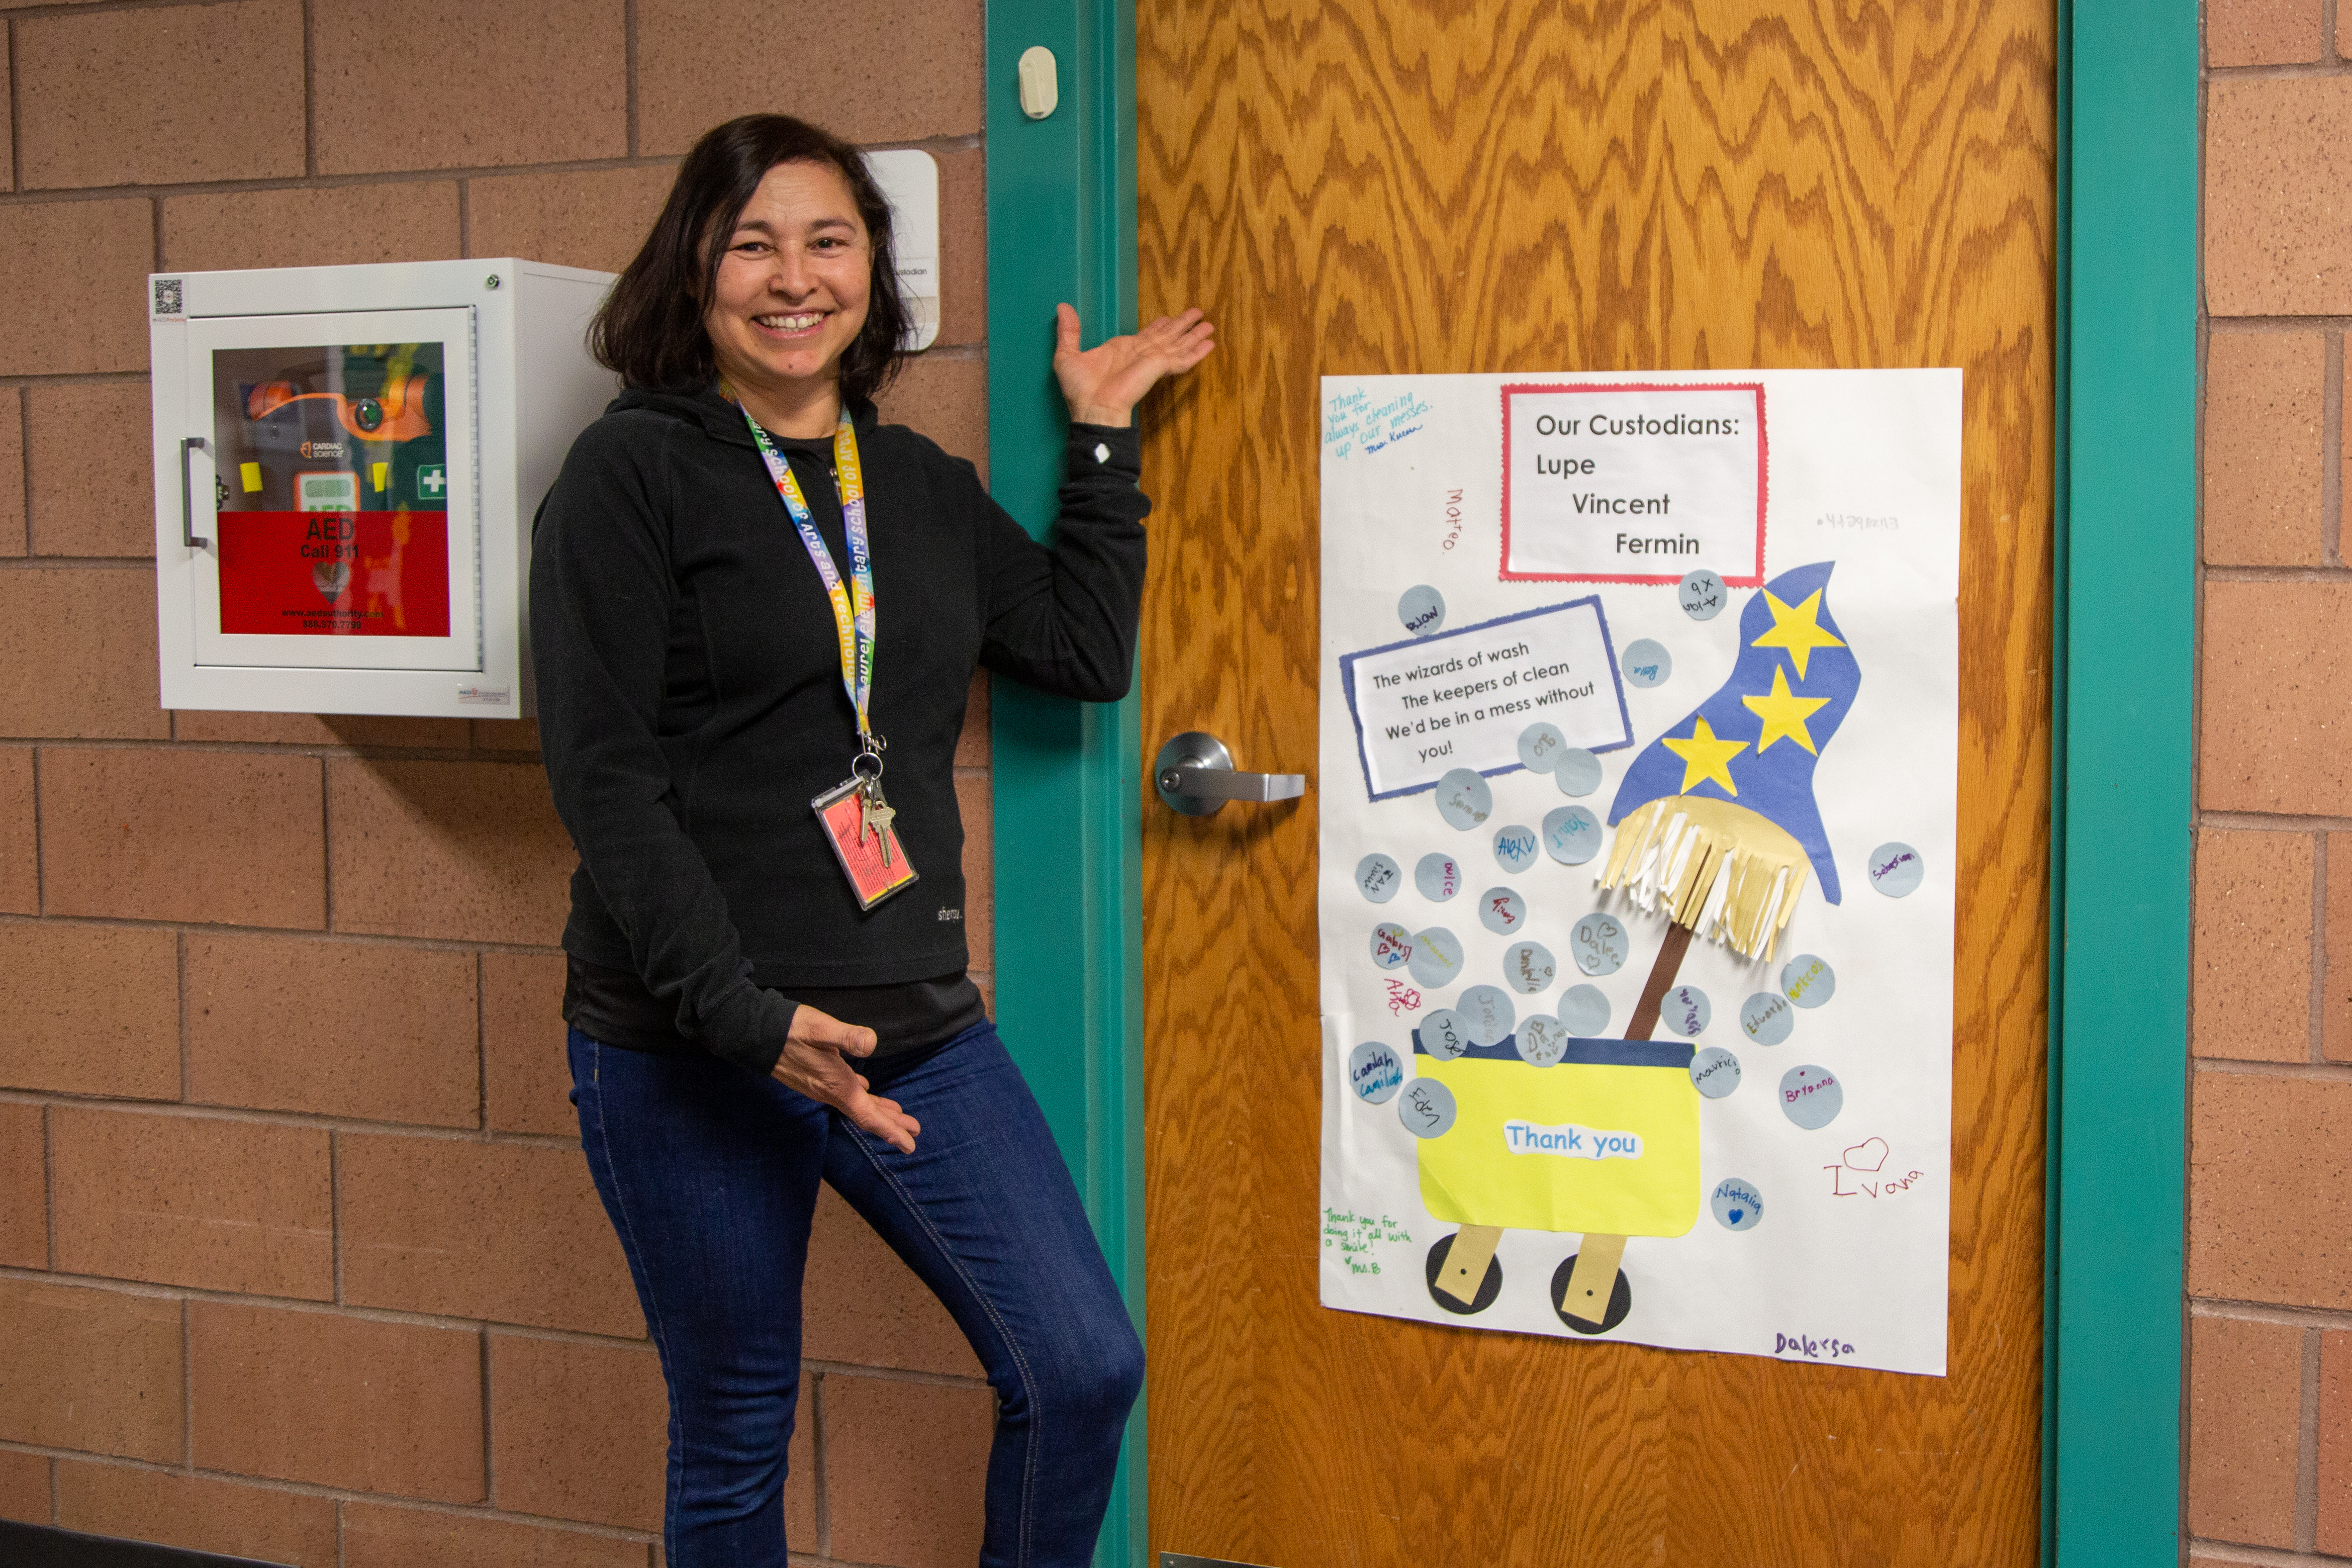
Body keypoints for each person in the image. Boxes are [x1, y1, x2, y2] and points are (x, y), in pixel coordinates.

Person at [530, 113, 1213, 1567]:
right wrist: (745, 1017)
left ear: (870, 272)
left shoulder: (910, 488)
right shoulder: (629, 474)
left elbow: (1081, 649)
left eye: (828, 240)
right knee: (733, 1426)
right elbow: (605, 781)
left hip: (910, 1026)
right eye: (752, 242)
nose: (793, 276)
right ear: (695, 270)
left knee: (1079, 1363)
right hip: (690, 1040)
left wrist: (1099, 434)